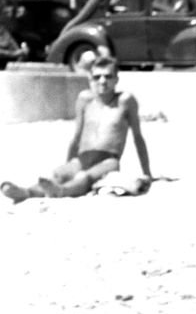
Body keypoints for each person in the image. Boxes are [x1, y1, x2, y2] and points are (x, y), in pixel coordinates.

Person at [2, 55, 152, 203]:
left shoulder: (125, 101)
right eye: (97, 77)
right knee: (58, 174)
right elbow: (76, 136)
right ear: (90, 79)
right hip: (82, 158)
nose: (102, 81)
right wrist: (68, 165)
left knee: (83, 178)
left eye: (108, 76)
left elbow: (138, 137)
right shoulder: (85, 99)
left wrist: (147, 173)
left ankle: (62, 192)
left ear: (116, 79)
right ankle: (26, 193)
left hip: (108, 160)